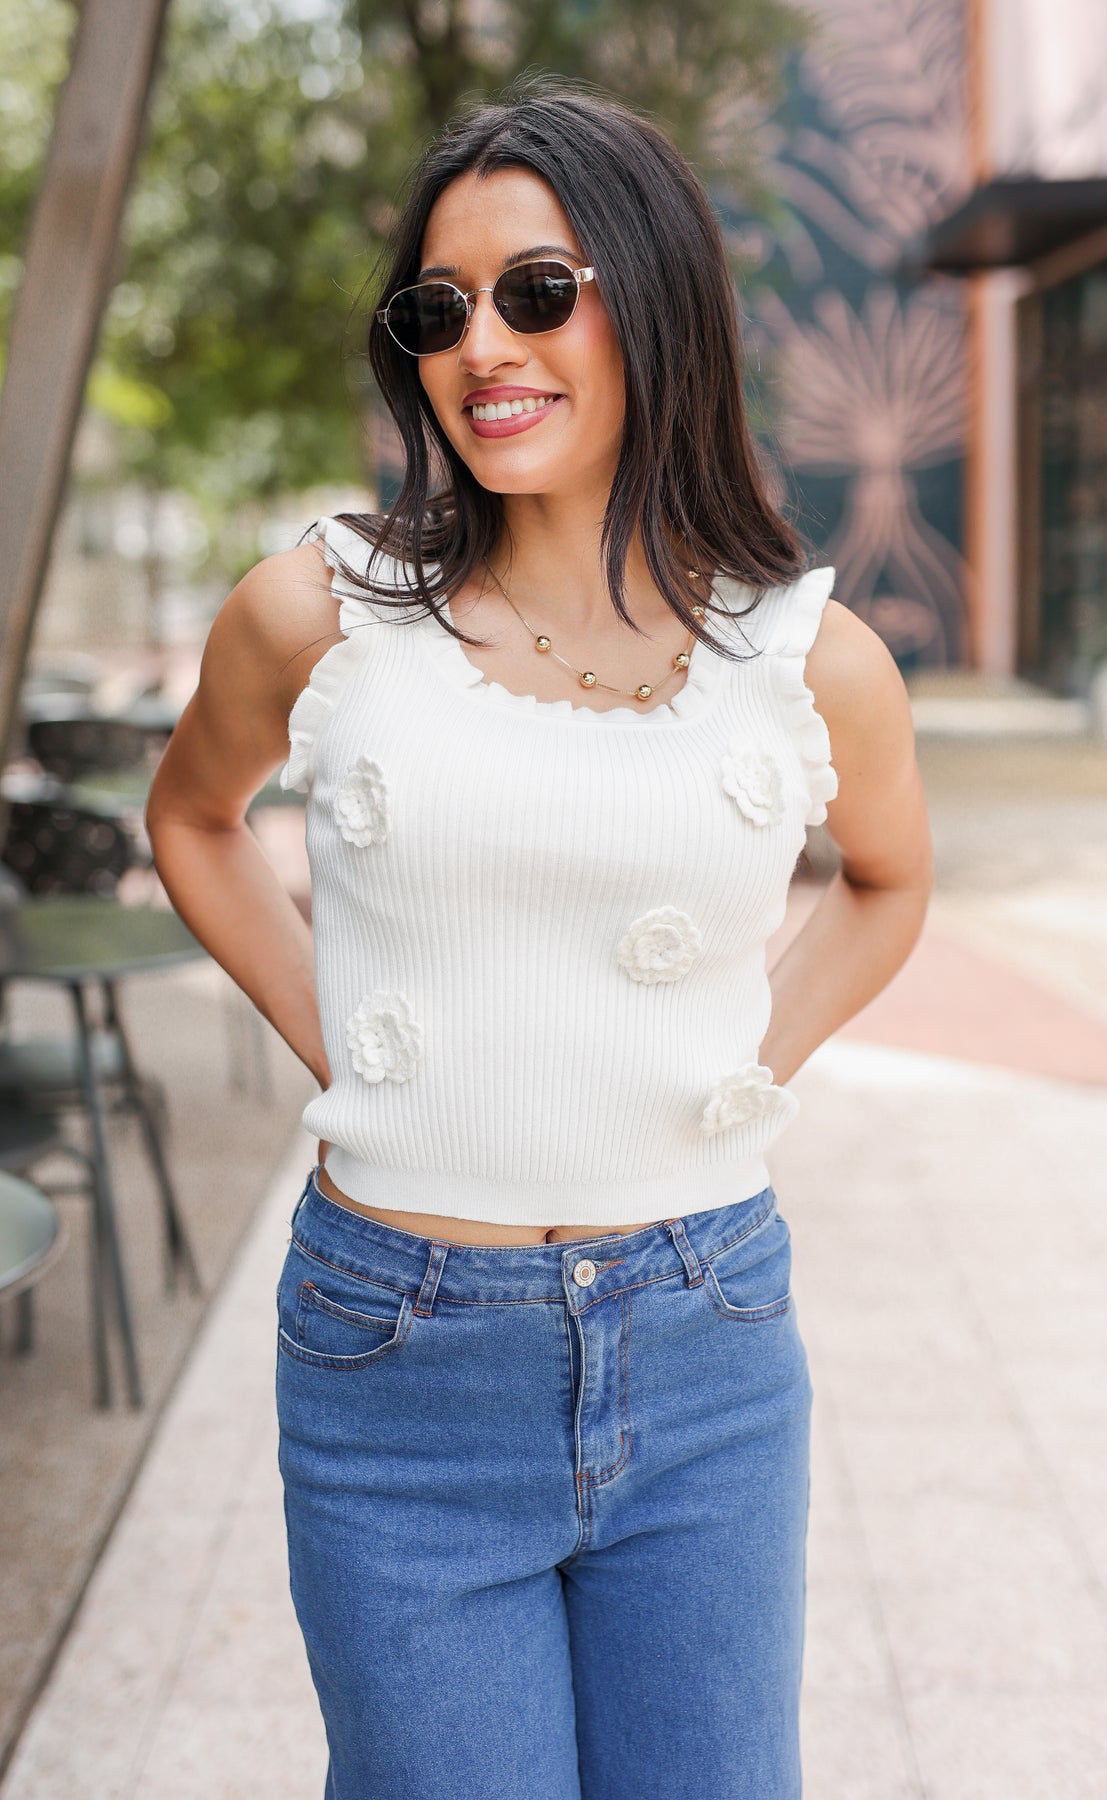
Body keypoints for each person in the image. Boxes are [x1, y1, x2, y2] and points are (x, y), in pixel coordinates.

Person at [146, 78, 932, 1800]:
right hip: (397, 1358)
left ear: (651, 298)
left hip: (707, 1338)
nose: (480, 343)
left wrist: (748, 1058)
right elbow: (192, 820)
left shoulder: (811, 657)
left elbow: (890, 883)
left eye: (537, 288)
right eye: (438, 308)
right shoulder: (319, 611)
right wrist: (339, 1037)